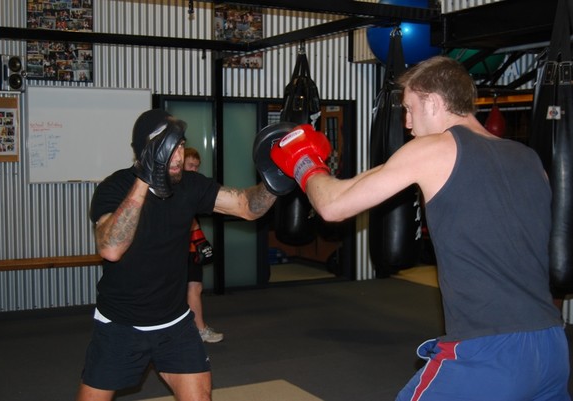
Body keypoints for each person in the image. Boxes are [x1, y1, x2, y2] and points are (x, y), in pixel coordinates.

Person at [269, 56, 570, 400]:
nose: (407, 123)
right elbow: (371, 178)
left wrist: (304, 161)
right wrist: (327, 170)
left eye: (410, 108)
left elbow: (332, 206)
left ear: (435, 101)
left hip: (489, 351)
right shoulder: (527, 157)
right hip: (550, 344)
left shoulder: (434, 149)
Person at [76, 109, 278, 401]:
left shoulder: (191, 185)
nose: (179, 155)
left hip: (175, 323)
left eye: (181, 145)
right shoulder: (115, 187)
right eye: (171, 147)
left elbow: (247, 207)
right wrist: (144, 179)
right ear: (146, 149)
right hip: (121, 324)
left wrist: (274, 180)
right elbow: (110, 249)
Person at [184, 147, 223, 343]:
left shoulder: (194, 188)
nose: (194, 170)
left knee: (195, 287)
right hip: (175, 249)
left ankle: (199, 329)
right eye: (190, 165)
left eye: (196, 167)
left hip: (190, 248)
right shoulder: (174, 188)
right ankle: (195, 330)